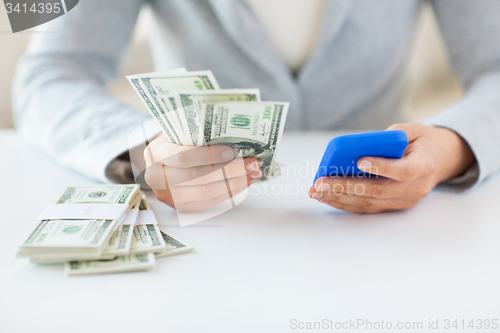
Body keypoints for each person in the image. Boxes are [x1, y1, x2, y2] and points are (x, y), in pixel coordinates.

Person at [13, 0, 500, 213]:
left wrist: (454, 147)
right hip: (212, 230)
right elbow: (50, 74)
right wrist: (141, 153)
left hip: (397, 220)